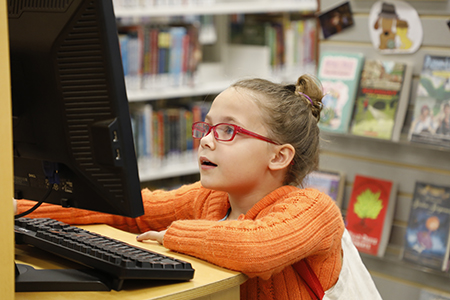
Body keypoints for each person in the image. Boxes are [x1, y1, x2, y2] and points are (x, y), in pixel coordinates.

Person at [16, 74, 382, 299]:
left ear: (279, 156)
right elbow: (129, 208)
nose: (206, 140)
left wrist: (171, 235)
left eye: (228, 131)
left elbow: (256, 246)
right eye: (206, 128)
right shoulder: (211, 200)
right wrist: (18, 208)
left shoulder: (313, 209)